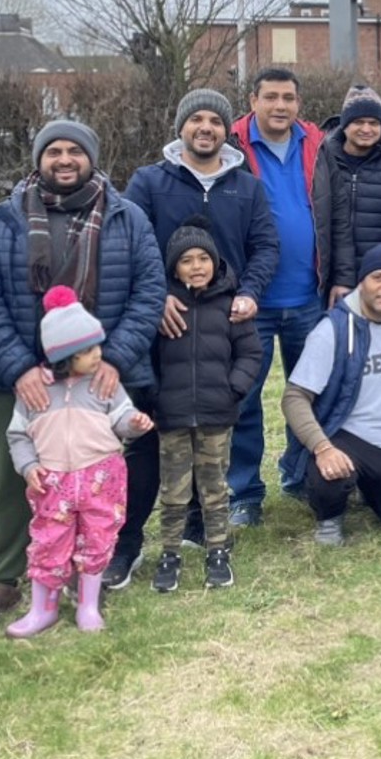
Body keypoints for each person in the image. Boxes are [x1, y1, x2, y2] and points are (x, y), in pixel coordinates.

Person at [0, 120, 165, 631]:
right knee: (20, 477)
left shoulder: (127, 216)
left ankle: (89, 571)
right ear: (39, 159)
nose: (65, 160)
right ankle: (8, 577)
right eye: (54, 152)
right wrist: (17, 367)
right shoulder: (7, 219)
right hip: (24, 378)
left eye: (76, 151)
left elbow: (148, 291)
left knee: (100, 480)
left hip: (102, 374)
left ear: (92, 157)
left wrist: (114, 357)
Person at [121, 87, 278, 570]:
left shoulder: (245, 184)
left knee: (222, 416)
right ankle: (139, 533)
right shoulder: (149, 181)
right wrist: (157, 294)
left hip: (221, 322)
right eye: (197, 120)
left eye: (214, 120)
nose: (205, 128)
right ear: (181, 127)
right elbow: (132, 243)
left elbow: (265, 244)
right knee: (160, 427)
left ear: (226, 129)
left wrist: (248, 291)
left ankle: (207, 518)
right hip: (164, 324)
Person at [229, 68, 355, 525]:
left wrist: (341, 275)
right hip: (252, 300)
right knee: (245, 397)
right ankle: (244, 493)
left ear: (298, 103)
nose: (280, 106)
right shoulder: (233, 148)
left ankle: (299, 475)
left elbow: (338, 215)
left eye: (288, 98)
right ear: (253, 100)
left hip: (309, 296)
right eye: (271, 97)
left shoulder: (319, 146)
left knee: (312, 393)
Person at [4, 287, 153, 637]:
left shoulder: (105, 383)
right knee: (48, 541)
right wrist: (28, 467)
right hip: (52, 481)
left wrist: (133, 424)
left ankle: (88, 604)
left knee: (98, 539)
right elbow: (18, 436)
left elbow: (121, 417)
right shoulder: (35, 392)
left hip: (102, 475)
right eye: (87, 351)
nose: (97, 355)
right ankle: (44, 608)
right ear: (64, 356)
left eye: (97, 345)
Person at [281, 245, 381, 544]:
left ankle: (372, 488)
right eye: (378, 277)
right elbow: (294, 397)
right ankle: (329, 519)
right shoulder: (333, 329)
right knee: (330, 474)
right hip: (348, 436)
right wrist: (322, 447)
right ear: (362, 282)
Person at [150, 219, 263, 593]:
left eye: (203, 258)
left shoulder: (231, 306)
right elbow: (146, 357)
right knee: (175, 490)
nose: (196, 266)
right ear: (173, 267)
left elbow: (250, 353)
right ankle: (169, 552)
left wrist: (233, 389)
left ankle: (218, 549)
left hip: (217, 413)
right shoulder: (161, 309)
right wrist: (154, 395)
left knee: (215, 486)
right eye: (186, 260)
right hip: (172, 414)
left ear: (215, 262)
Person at [321, 84, 381, 296]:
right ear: (344, 125)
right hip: (331, 274)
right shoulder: (322, 158)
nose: (366, 129)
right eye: (358, 122)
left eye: (373, 123)